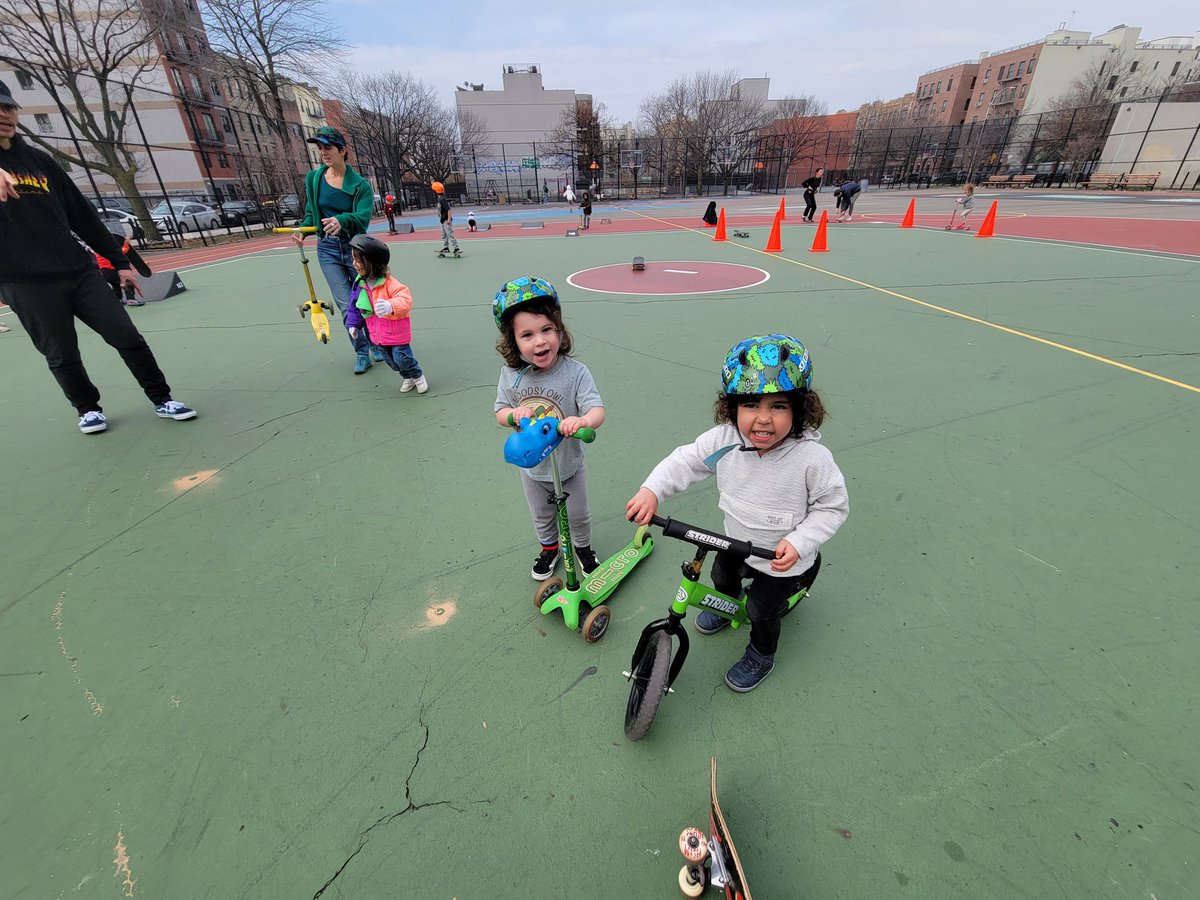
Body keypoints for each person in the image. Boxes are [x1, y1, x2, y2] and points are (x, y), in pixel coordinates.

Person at [626, 334, 848, 692]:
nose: (763, 419)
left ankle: (762, 653)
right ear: (732, 408)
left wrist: (800, 541)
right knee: (721, 576)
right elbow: (685, 461)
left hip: (782, 559)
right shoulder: (726, 440)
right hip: (735, 541)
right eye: (750, 405)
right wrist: (652, 490)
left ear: (800, 408)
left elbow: (832, 506)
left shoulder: (811, 460)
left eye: (778, 406)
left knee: (761, 611)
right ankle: (724, 604)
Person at [0, 81, 196, 434]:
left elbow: (81, 213)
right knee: (62, 354)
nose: (3, 114)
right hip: (25, 282)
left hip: (78, 272)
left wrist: (119, 263)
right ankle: (87, 408)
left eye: (8, 107)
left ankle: (161, 398)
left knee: (127, 336)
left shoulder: (39, 161)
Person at [492, 276, 605, 581]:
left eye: (546, 330)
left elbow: (596, 409)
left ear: (559, 330)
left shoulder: (575, 372)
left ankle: (583, 548)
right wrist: (513, 415)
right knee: (542, 515)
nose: (540, 341)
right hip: (533, 469)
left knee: (578, 515)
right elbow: (500, 412)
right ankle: (549, 548)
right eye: (527, 335)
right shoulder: (511, 376)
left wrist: (582, 421)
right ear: (513, 341)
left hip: (569, 465)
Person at [293, 125, 381, 374]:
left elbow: (362, 218)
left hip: (355, 249)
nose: (323, 153)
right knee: (345, 304)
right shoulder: (314, 178)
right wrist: (303, 229)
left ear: (343, 150)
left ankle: (376, 343)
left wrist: (341, 220)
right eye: (320, 148)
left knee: (365, 300)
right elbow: (312, 213)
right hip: (328, 250)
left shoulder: (360, 185)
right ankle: (361, 351)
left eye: (328, 148)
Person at [344, 235, 427, 395]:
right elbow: (354, 306)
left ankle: (417, 375)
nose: (354, 263)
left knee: (402, 357)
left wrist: (391, 305)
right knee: (392, 362)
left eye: (358, 260)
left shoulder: (389, 283)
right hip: (377, 335)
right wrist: (353, 324)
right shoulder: (360, 284)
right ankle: (407, 376)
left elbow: (405, 299)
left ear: (371, 263)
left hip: (396, 333)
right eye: (353, 258)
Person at [94, 235, 144, 307]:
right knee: (127, 281)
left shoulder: (97, 249)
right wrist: (126, 243)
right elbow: (122, 252)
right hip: (112, 270)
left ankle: (118, 300)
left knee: (116, 285)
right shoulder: (108, 248)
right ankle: (131, 299)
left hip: (104, 271)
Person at [433, 181, 460, 257]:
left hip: (446, 220)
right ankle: (446, 247)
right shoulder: (439, 200)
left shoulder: (443, 199)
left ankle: (456, 248)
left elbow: (448, 210)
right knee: (443, 234)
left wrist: (448, 220)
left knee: (449, 234)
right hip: (442, 220)